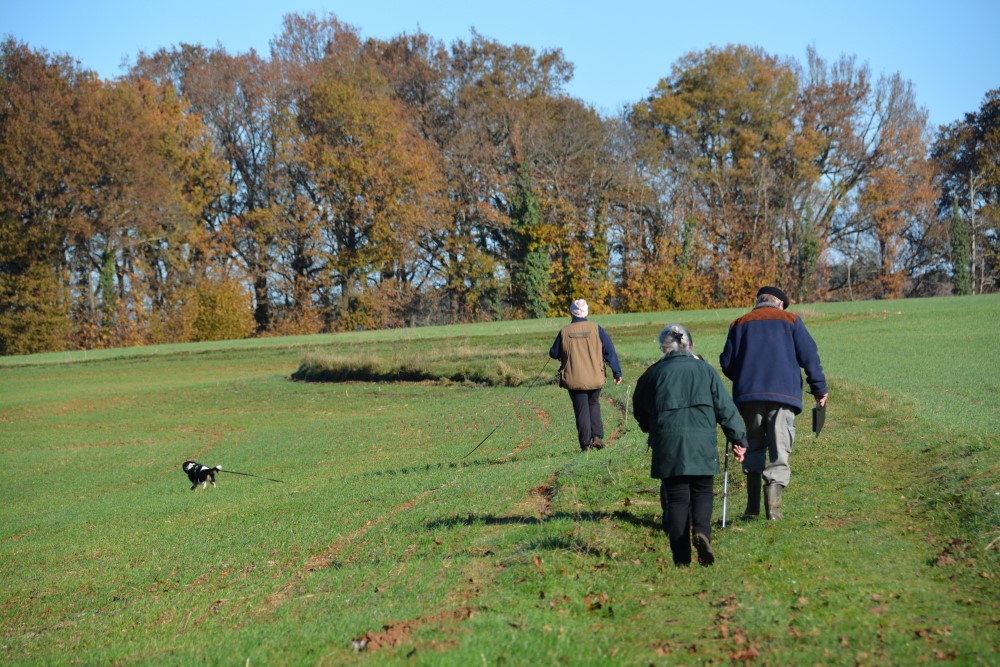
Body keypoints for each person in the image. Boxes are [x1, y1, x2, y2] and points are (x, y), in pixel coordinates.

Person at [632, 324, 747, 566]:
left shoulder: (654, 373)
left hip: (668, 445)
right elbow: (725, 408)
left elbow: (639, 405)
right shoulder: (706, 370)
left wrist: (648, 425)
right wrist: (739, 438)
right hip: (702, 444)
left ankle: (681, 560)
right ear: (690, 346)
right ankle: (702, 532)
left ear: (664, 348)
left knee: (676, 500)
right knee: (703, 491)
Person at [719, 286, 828, 521]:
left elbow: (726, 363)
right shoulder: (791, 321)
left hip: (749, 399)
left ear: (758, 301)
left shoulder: (739, 324)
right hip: (783, 398)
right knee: (779, 451)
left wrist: (746, 378)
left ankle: (752, 507)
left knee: (752, 447)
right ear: (779, 303)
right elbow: (810, 357)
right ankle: (774, 511)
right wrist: (820, 389)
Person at [549, 298, 623, 452]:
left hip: (574, 379)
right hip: (595, 376)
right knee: (594, 404)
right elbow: (609, 351)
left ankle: (585, 444)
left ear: (572, 312)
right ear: (586, 312)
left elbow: (554, 353)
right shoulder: (596, 329)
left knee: (581, 409)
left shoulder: (564, 331)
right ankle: (597, 437)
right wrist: (617, 372)